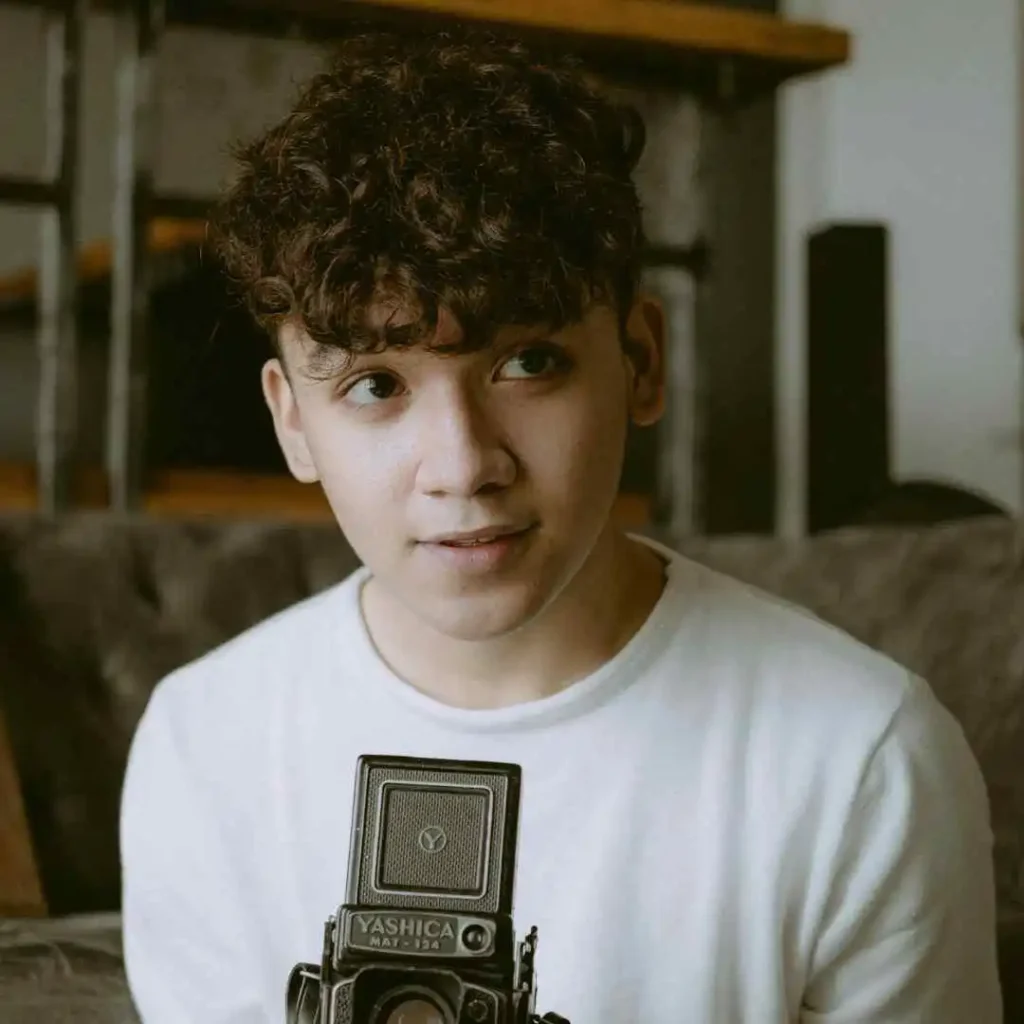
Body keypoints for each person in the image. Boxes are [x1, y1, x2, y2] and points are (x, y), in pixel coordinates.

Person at [118, 23, 1003, 1024]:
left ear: (640, 359)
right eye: (376, 384)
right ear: (292, 420)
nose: (463, 466)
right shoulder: (205, 747)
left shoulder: (859, 762)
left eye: (527, 362)